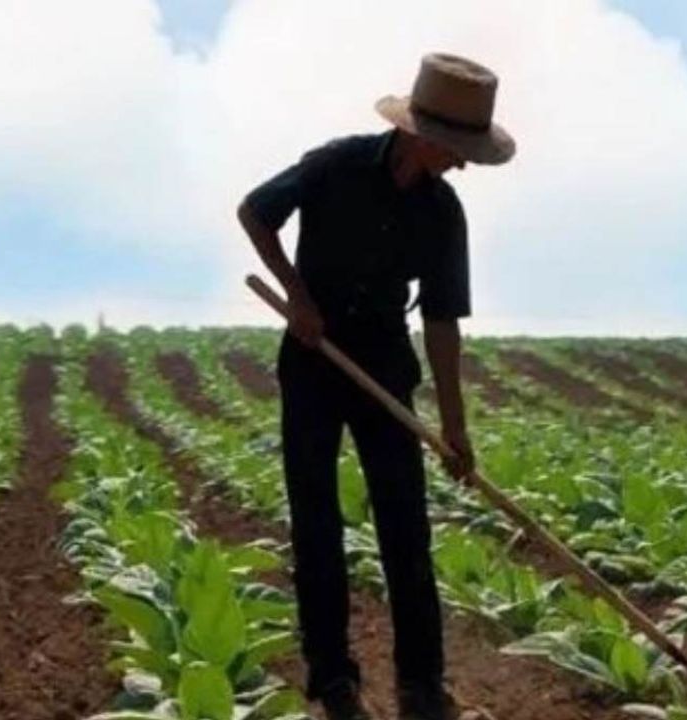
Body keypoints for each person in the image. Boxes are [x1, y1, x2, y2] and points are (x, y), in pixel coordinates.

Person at [236, 53, 515, 720]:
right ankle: (334, 683)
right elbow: (255, 212)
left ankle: (421, 685)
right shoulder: (335, 165)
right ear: (423, 135)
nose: (465, 162)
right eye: (458, 148)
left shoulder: (444, 214)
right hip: (313, 356)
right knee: (316, 526)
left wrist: (455, 428)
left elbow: (443, 324)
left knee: (405, 526)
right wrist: (297, 297)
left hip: (385, 363)